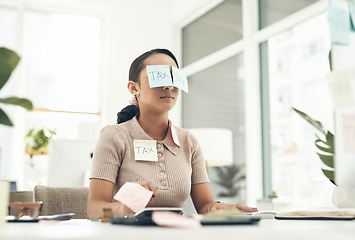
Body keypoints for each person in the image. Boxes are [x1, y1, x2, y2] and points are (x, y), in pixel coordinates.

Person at [87, 48, 257, 218]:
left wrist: (217, 208)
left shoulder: (188, 141)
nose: (168, 86)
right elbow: (94, 210)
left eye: (173, 77)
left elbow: (205, 205)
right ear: (134, 88)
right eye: (157, 76)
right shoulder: (114, 137)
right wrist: (123, 208)